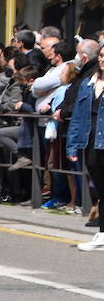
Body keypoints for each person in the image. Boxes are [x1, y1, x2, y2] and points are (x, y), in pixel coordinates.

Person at [67, 52, 104, 251]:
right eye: (101, 56)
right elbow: (78, 117)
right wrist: (72, 144)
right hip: (91, 142)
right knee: (100, 188)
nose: (103, 59)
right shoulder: (88, 83)